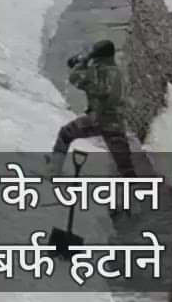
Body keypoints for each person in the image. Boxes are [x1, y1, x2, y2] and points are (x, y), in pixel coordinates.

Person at [45, 39, 137, 205]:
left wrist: (82, 63)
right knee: (124, 163)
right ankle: (132, 201)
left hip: (99, 119)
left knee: (66, 134)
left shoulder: (98, 72)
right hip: (117, 122)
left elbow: (75, 78)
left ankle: (53, 171)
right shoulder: (115, 71)